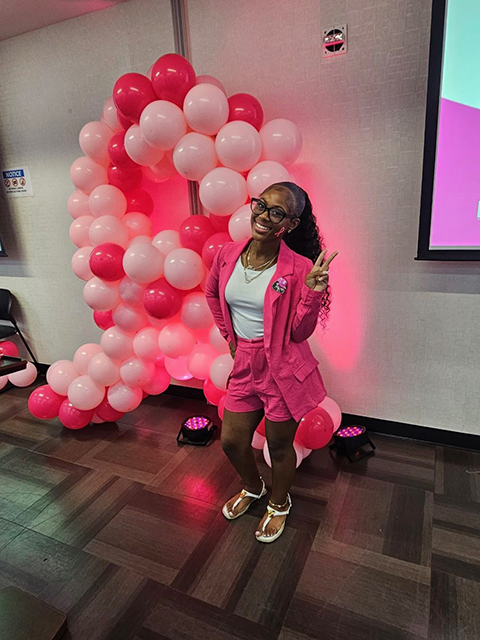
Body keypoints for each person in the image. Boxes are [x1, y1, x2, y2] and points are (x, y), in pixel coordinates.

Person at [205, 181, 337, 543]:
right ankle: (254, 487)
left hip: (283, 366)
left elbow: (299, 332)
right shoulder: (227, 254)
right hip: (244, 361)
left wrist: (313, 291)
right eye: (261, 205)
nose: (264, 216)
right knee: (232, 440)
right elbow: (213, 294)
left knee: (278, 446)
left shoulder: (300, 267)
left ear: (291, 224)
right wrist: (230, 338)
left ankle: (279, 503)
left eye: (277, 212)